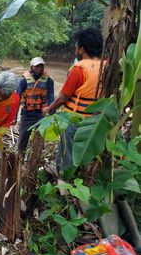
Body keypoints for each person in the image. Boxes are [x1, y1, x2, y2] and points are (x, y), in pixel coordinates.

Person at [42, 28, 103, 173]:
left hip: (74, 119)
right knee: (88, 151)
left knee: (66, 153)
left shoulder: (78, 69)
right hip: (96, 120)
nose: (75, 48)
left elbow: (63, 97)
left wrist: (49, 109)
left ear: (81, 49)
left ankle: (64, 186)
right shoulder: (107, 66)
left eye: (76, 46)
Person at [16, 57, 54, 159]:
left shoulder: (49, 81)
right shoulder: (23, 81)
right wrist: (14, 117)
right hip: (27, 114)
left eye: (41, 66)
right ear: (31, 67)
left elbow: (51, 98)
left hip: (42, 114)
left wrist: (52, 115)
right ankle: (20, 159)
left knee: (39, 140)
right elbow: (17, 99)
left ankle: (34, 160)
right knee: (23, 138)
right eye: (37, 66)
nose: (39, 68)